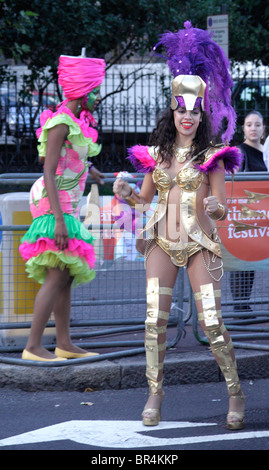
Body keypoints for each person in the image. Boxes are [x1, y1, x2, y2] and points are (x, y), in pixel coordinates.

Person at [113, 21, 245, 430]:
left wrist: (217, 208)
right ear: (172, 110)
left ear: (201, 112)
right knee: (154, 320)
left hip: (200, 243)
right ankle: (155, 392)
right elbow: (145, 198)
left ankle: (235, 393)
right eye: (180, 109)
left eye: (194, 110)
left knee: (212, 323)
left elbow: (222, 206)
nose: (187, 117)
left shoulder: (215, 157)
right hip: (161, 242)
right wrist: (125, 193)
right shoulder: (156, 154)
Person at [19, 53, 106, 362]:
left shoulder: (74, 122)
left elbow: (71, 159)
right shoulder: (59, 122)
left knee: (66, 274)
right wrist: (57, 219)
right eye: (95, 89)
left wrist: (90, 168)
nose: (98, 95)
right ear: (83, 92)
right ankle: (32, 346)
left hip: (66, 201)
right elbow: (48, 170)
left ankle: (65, 343)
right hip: (52, 202)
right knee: (56, 274)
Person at [230, 111, 267, 312]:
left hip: (265, 214)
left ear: (263, 129)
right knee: (245, 259)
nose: (253, 128)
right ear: (243, 128)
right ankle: (241, 306)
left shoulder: (267, 152)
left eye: (258, 125)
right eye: (249, 124)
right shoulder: (238, 152)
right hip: (246, 214)